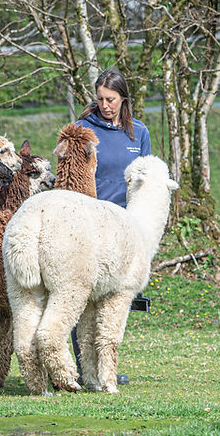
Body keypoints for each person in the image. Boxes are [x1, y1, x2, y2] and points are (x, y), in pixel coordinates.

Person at [72, 68, 152, 385]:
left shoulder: (139, 134)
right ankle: (83, 367)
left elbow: (143, 181)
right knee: (84, 295)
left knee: (114, 301)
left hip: (124, 226)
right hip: (89, 222)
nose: (105, 105)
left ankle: (106, 367)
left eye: (111, 99)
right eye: (101, 99)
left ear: (123, 98)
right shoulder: (83, 129)